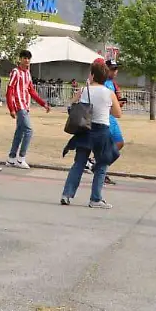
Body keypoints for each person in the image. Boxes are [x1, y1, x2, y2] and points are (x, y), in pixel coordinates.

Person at [59, 60, 122, 208]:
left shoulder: (84, 90)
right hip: (102, 131)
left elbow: (71, 104)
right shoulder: (109, 93)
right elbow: (118, 113)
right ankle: (95, 198)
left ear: (92, 75)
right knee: (101, 164)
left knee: (79, 164)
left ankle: (67, 194)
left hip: (85, 129)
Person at [5, 50, 50, 168]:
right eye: (24, 58)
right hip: (19, 106)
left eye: (28, 58)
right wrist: (11, 108)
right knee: (29, 130)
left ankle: (11, 158)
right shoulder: (16, 72)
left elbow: (31, 91)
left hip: (25, 106)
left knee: (19, 132)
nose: (27, 60)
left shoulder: (27, 74)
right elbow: (9, 91)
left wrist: (43, 103)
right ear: (20, 59)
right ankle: (21, 158)